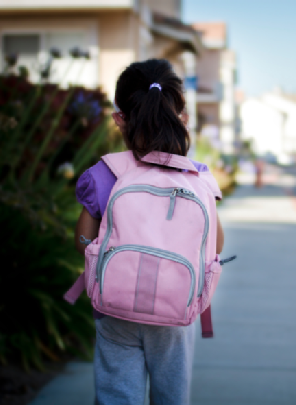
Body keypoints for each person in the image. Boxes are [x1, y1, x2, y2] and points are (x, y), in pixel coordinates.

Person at [74, 59, 224, 405]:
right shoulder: (197, 176)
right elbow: (215, 243)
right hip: (176, 309)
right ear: (181, 118)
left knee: (117, 393)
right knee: (171, 395)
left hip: (114, 307)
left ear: (119, 119)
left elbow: (82, 241)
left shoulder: (105, 172)